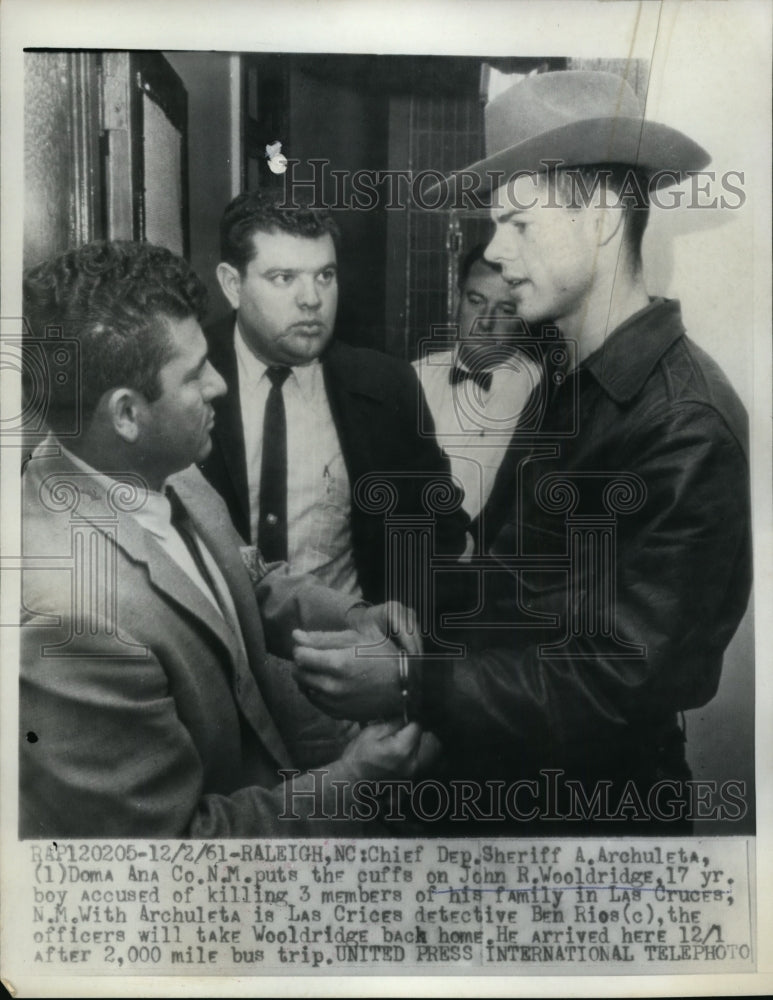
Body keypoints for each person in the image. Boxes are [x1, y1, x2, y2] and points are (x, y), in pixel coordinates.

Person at [292, 70, 753, 831]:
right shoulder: (570, 380)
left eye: (519, 224)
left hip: (594, 824)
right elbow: (521, 587)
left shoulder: (684, 421)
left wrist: (412, 682)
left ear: (600, 217)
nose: (498, 252)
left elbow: (617, 682)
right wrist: (412, 620)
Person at [19, 240, 424, 838]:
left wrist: (355, 616)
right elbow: (174, 848)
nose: (219, 385)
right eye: (194, 375)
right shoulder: (69, 619)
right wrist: (355, 780)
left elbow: (242, 576)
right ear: (126, 414)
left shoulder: (162, 463)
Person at [200, 192, 468, 608]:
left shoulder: (386, 386)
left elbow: (440, 535)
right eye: (284, 278)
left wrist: (396, 636)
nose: (312, 299)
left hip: (350, 637)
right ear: (233, 285)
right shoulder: (186, 378)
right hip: (223, 642)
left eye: (325, 275)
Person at [412, 242, 540, 524]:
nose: (485, 321)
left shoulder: (541, 392)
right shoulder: (413, 378)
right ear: (457, 300)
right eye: (476, 301)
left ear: (525, 315)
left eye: (505, 309)